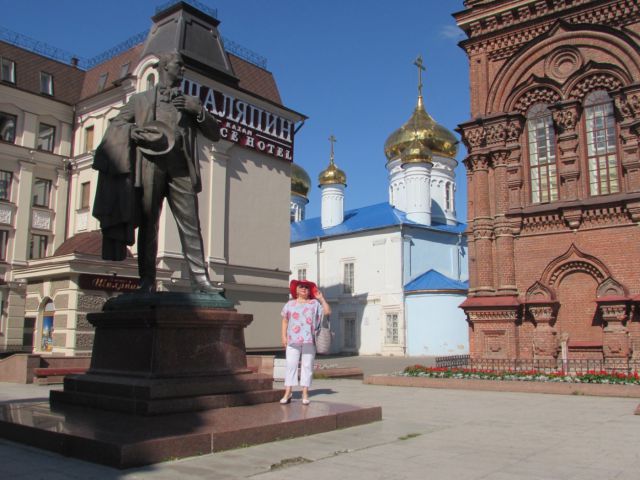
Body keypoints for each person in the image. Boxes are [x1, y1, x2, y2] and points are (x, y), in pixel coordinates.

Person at [92, 51, 220, 293]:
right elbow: (118, 124)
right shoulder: (140, 100)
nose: (183, 70)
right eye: (179, 65)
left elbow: (215, 134)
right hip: (150, 165)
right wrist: (134, 132)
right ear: (164, 67)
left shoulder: (190, 101)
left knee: (191, 224)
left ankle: (200, 280)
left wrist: (198, 111)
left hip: (181, 168)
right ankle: (147, 280)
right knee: (149, 223)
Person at [280, 279, 331, 405]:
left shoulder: (314, 304)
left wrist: (321, 299)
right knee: (291, 365)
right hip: (292, 340)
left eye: (306, 287)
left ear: (309, 291)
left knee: (307, 366)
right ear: (296, 290)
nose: (304, 288)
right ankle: (288, 392)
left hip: (310, 340)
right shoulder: (290, 304)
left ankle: (305, 393)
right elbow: (285, 320)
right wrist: (283, 336)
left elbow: (327, 312)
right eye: (301, 286)